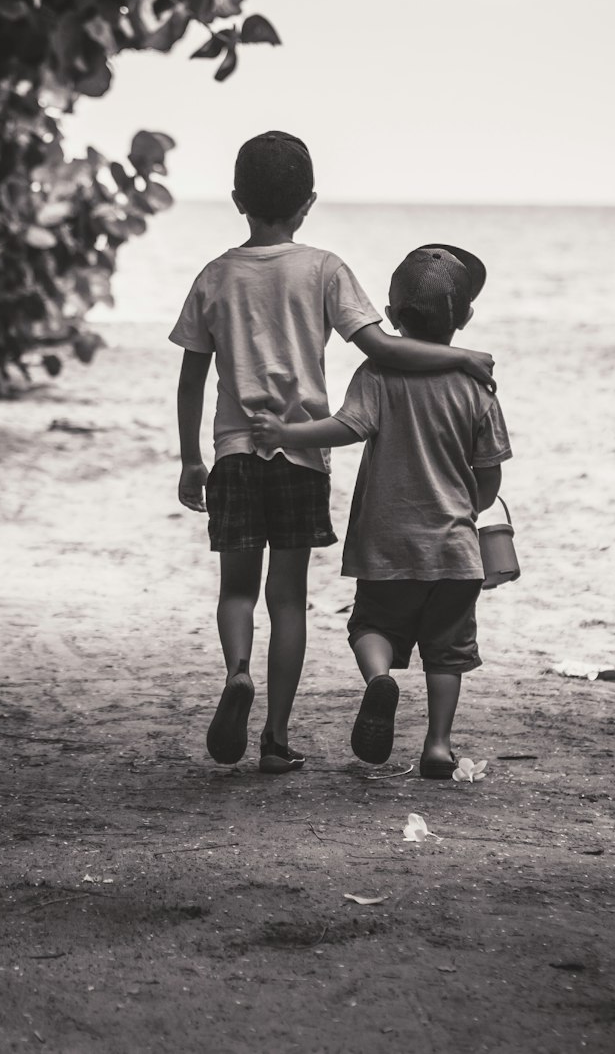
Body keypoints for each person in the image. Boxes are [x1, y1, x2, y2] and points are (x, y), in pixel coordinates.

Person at [171, 133, 495, 774]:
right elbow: (385, 350)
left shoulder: (213, 275)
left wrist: (191, 459)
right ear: (309, 202)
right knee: (288, 598)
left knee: (237, 591)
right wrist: (461, 355)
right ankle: (276, 738)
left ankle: (238, 672)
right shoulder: (324, 269)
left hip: (236, 454)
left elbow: (190, 380)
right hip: (298, 461)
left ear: (237, 199)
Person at [248, 244, 510, 778]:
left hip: (385, 543)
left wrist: (287, 432)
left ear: (390, 318)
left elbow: (347, 427)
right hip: (454, 550)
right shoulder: (475, 386)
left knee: (370, 626)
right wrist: (474, 506)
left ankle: (379, 681)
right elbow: (489, 473)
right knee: (447, 652)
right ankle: (437, 746)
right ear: (465, 319)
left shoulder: (378, 372)